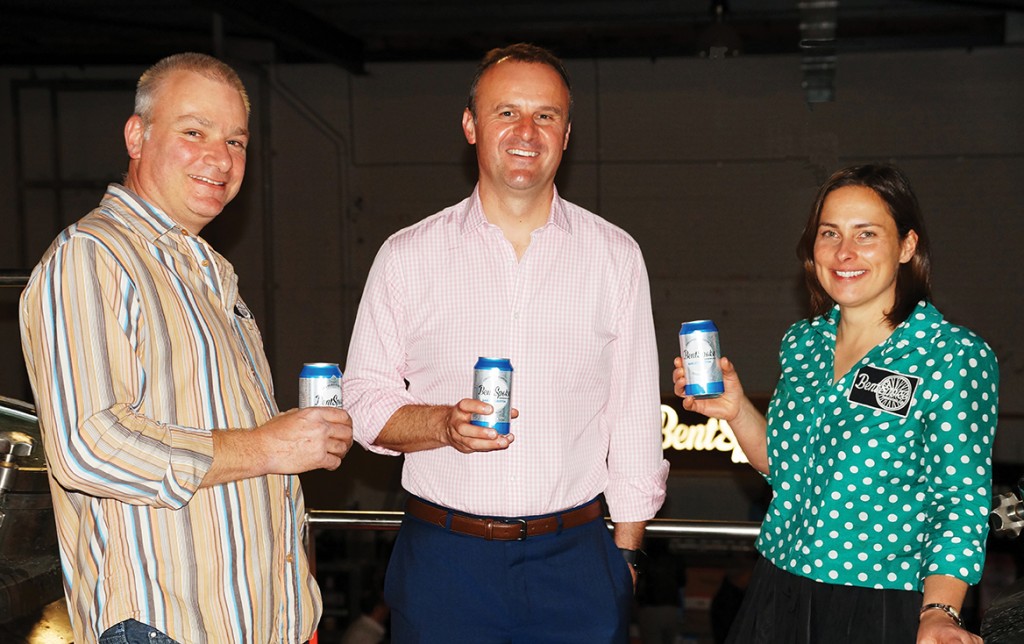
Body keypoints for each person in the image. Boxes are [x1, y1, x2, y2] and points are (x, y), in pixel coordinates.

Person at [19, 53, 353, 644]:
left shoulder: (207, 274)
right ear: (136, 135)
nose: (220, 158)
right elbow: (87, 447)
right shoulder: (92, 257)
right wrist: (268, 446)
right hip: (166, 627)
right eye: (193, 131)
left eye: (236, 141)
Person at [342, 43, 669, 643]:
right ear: (470, 126)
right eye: (506, 112)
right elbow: (362, 402)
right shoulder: (407, 256)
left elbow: (633, 417)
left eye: (546, 115)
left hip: (576, 562)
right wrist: (442, 424)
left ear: (566, 134)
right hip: (445, 561)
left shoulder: (615, 257)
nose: (527, 131)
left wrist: (626, 556)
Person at [673, 164, 998, 644]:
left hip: (879, 600)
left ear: (907, 246)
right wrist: (738, 411)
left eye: (866, 234)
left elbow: (961, 504)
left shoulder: (951, 357)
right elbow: (788, 472)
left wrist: (939, 612)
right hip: (779, 588)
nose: (845, 253)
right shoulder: (803, 343)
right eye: (830, 234)